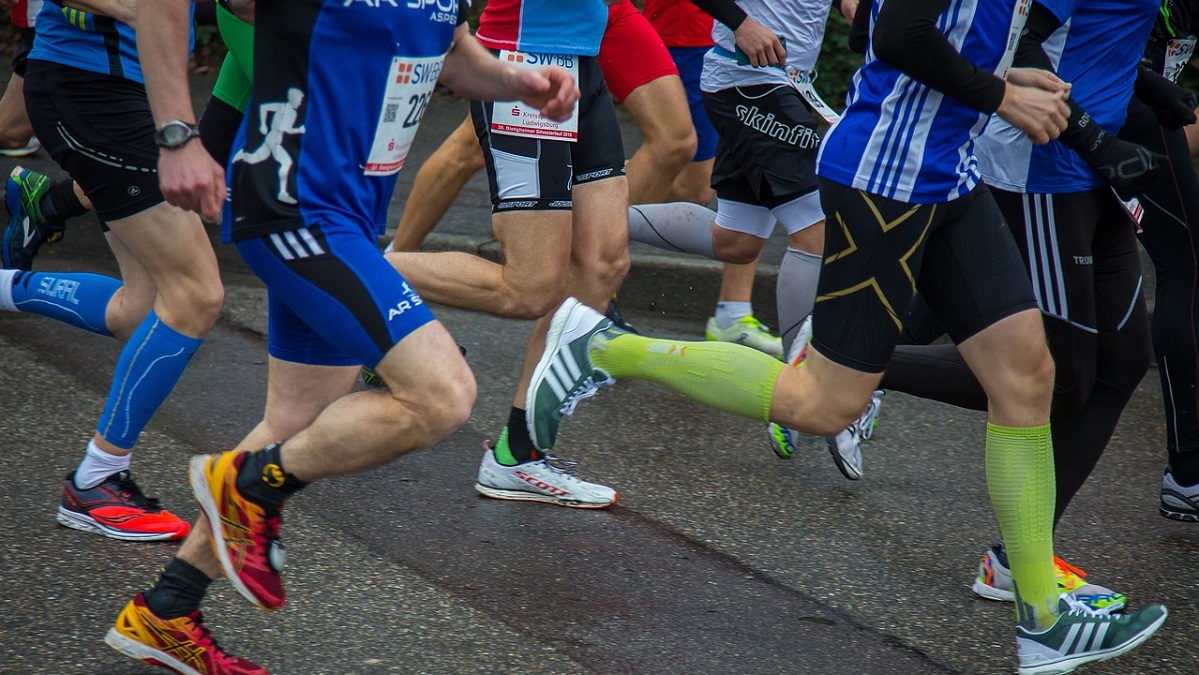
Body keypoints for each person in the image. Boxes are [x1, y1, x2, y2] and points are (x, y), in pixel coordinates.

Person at [523, 0, 1170, 669]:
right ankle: (599, 346)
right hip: (885, 180)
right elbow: (896, 33)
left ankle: (1040, 615)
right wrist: (999, 92)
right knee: (823, 403)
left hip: (949, 172)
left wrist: (1006, 74)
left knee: (1028, 374)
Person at [106, 0, 578, 671]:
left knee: (301, 418)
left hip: (350, 216)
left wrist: (516, 83)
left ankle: (166, 609)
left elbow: (446, 53)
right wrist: (178, 137)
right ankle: (249, 482)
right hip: (292, 206)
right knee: (440, 394)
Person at [0, 0, 233, 542]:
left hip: (131, 92)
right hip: (91, 90)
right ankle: (95, 481)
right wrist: (137, 11)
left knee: (142, 311)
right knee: (196, 295)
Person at [383, 0, 630, 510]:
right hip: (524, 58)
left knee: (603, 266)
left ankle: (518, 455)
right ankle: (343, 266)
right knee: (531, 288)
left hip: (582, 57)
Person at [1118, 0, 1199, 522]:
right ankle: (1188, 474)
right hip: (1124, 99)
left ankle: (867, 359)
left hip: (1141, 96)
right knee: (1188, 265)